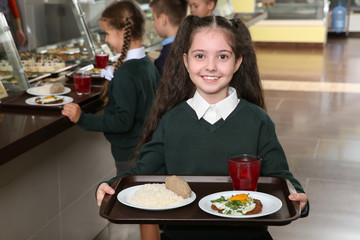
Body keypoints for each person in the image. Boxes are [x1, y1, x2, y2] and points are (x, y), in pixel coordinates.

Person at [96, 15, 309, 240]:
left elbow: (281, 177)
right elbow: (140, 174)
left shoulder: (258, 121)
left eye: (223, 56)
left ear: (237, 62)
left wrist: (298, 195)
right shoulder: (171, 121)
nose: (211, 66)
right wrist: (110, 186)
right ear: (186, 61)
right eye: (200, 56)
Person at [62, 0, 160, 175]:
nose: (106, 40)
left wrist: (82, 118)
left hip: (130, 154)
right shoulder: (146, 63)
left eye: (107, 33)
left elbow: (122, 121)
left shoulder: (126, 73)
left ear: (123, 32)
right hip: (145, 149)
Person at [149, 0, 187, 75]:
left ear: (163, 20)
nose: (154, 24)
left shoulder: (169, 50)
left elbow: (162, 69)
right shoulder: (185, 40)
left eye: (154, 19)